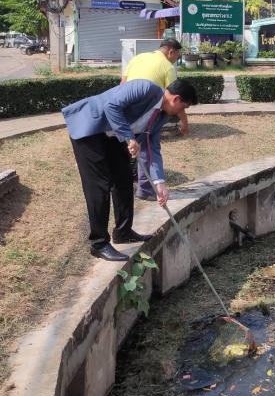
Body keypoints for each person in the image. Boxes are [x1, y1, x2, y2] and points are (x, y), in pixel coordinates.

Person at [63, 78, 198, 261]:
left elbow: (153, 148)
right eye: (184, 107)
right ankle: (99, 244)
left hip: (114, 135)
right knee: (99, 185)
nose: (182, 113)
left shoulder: (161, 116)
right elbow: (111, 106)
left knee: (124, 178)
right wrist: (128, 137)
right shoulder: (144, 88)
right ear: (176, 99)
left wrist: (160, 183)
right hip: (90, 128)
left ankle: (123, 231)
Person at [122, 38, 189, 201]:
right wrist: (185, 123)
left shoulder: (137, 58)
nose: (176, 59)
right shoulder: (168, 67)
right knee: (149, 148)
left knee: (129, 146)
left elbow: (122, 84)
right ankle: (145, 189)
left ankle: (125, 182)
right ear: (171, 51)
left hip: (126, 110)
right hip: (148, 112)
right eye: (177, 56)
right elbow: (175, 100)